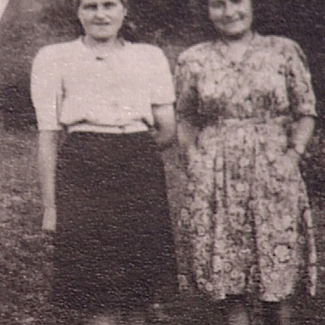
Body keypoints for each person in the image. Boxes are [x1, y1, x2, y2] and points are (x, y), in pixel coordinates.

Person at [31, 0, 178, 324]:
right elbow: (48, 137)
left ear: (125, 11)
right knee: (98, 289)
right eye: (90, 6)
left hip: (140, 167)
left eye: (109, 5)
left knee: (140, 288)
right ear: (77, 13)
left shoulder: (149, 56)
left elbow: (167, 129)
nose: (100, 14)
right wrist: (51, 208)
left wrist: (130, 155)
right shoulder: (54, 57)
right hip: (84, 169)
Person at [175, 0, 317, 324]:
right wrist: (194, 157)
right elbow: (183, 116)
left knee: (277, 274)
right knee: (229, 278)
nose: (229, 12)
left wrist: (291, 157)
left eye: (237, 2)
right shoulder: (193, 58)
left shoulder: (283, 50)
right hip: (216, 174)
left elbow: (306, 111)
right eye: (218, 5)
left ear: (253, 5)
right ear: (208, 11)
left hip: (272, 170)